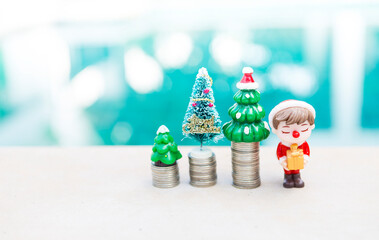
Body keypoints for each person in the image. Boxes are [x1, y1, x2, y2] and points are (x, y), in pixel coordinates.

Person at [269, 100, 316, 188]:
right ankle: (288, 178)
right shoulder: (283, 145)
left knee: (296, 170)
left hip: (298, 164)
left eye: (303, 128)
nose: (295, 134)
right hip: (287, 164)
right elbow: (279, 153)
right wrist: (283, 160)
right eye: (286, 130)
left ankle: (297, 177)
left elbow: (306, 152)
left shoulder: (303, 144)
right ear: (276, 130)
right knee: (288, 170)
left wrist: (305, 159)